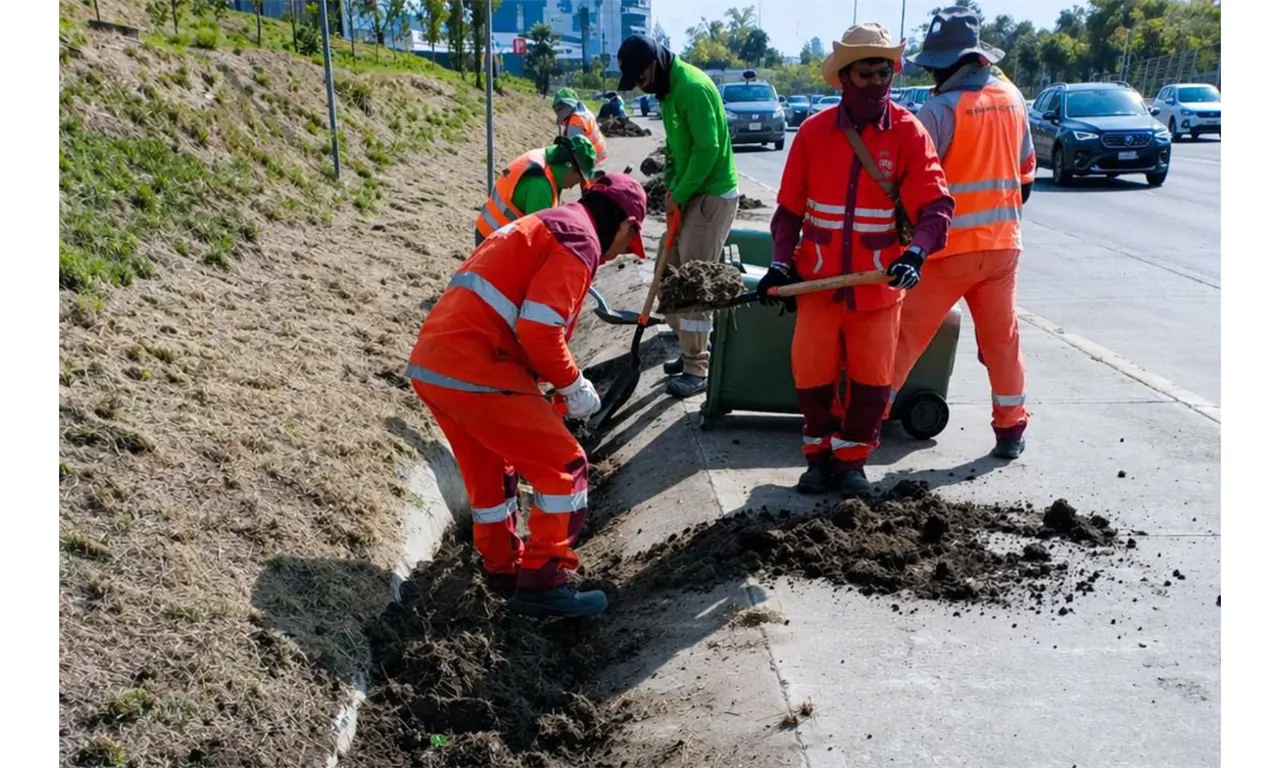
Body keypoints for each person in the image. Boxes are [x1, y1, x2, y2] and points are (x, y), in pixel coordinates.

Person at [406, 174, 649, 619]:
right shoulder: (579, 242)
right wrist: (573, 385)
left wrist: (551, 389)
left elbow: (522, 322)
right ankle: (544, 580)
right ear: (627, 224)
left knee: (492, 477)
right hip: (479, 366)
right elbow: (539, 329)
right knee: (565, 467)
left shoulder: (548, 224)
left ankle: (503, 570)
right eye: (626, 245)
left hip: (438, 364)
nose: (617, 257)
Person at [758, 21, 954, 498]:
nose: (876, 84)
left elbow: (936, 207)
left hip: (877, 287)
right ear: (844, 77)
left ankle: (852, 462)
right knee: (812, 378)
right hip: (819, 285)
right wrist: (781, 263)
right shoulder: (812, 133)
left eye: (883, 72)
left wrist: (915, 253)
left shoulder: (908, 133)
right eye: (865, 74)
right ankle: (818, 459)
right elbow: (788, 212)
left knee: (871, 383)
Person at [889, 7, 1037, 460]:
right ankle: (1010, 430)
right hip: (1001, 248)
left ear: (951, 63)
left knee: (903, 337)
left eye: (935, 65)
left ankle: (861, 426)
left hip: (945, 252)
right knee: (1002, 340)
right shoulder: (1013, 100)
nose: (932, 73)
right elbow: (1026, 177)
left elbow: (907, 187)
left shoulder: (938, 110)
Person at [616, 34, 741, 399]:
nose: (640, 86)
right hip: (688, 193)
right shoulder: (668, 93)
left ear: (654, 66)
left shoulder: (692, 88)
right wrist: (672, 187)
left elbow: (708, 149)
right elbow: (674, 148)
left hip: (710, 196)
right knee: (667, 273)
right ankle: (691, 346)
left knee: (693, 281)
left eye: (640, 78)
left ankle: (697, 365)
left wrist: (683, 193)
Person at [473, 136, 597, 246]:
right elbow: (537, 238)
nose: (576, 184)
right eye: (579, 178)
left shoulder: (547, 160)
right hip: (496, 242)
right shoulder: (540, 186)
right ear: (569, 166)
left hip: (491, 233)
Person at [553, 88, 609, 165]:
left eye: (559, 108)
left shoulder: (576, 121)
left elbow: (574, 150)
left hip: (591, 157)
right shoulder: (583, 111)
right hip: (598, 152)